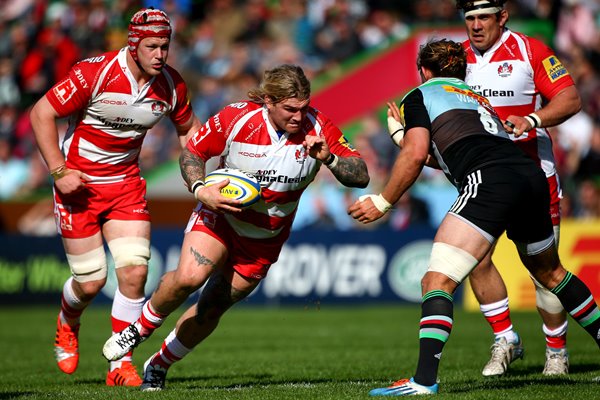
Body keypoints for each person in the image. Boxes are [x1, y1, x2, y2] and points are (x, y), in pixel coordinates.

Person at [348, 38, 600, 396]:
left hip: (490, 180)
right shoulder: (478, 99)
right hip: (529, 176)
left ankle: (423, 382)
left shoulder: (419, 96)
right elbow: (443, 153)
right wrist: (400, 135)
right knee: (551, 273)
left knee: (437, 280)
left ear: (423, 71)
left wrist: (384, 201)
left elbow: (418, 154)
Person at [101, 64, 369, 391]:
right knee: (189, 277)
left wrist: (330, 159)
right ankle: (139, 328)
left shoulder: (319, 126)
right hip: (220, 217)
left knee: (211, 307)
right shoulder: (237, 118)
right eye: (290, 109)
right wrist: (201, 189)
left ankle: (158, 365)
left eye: (303, 108)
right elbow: (193, 153)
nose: (299, 116)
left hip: (264, 239)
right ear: (269, 101)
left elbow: (361, 174)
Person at [29, 7, 201, 386]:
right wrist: (58, 171)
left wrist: (200, 176)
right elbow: (41, 113)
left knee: (135, 273)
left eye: (165, 46)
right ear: (134, 44)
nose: (160, 54)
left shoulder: (172, 85)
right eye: (152, 46)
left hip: (125, 186)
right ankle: (67, 320)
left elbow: (191, 132)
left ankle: (119, 365)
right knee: (90, 282)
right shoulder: (96, 72)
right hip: (78, 186)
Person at [457, 0, 582, 376]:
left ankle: (556, 352)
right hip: (483, 177)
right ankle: (505, 339)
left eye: (483, 17)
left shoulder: (531, 50)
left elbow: (570, 98)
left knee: (543, 269)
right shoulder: (456, 59)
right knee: (475, 258)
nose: (476, 26)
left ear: (502, 17)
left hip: (533, 175)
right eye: (469, 19)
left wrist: (532, 119)